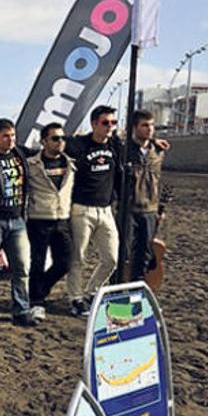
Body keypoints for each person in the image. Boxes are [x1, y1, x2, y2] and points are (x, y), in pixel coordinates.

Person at [64, 105, 122, 316]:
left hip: (105, 210)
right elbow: (52, 147)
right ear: (94, 123)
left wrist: (153, 142)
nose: (110, 127)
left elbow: (138, 144)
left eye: (113, 123)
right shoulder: (78, 145)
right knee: (78, 257)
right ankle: (76, 298)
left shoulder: (115, 145)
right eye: (105, 123)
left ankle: (91, 291)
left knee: (111, 259)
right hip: (81, 209)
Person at [0, 118, 36, 327]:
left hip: (18, 220)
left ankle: (21, 309)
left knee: (21, 267)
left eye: (12, 135)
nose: (10, 140)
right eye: (5, 136)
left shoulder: (20, 153)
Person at [26, 123, 75, 309]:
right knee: (36, 262)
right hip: (38, 219)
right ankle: (35, 300)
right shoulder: (31, 165)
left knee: (66, 262)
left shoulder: (70, 163)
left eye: (63, 138)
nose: (60, 142)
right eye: (55, 138)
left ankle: (42, 288)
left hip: (62, 219)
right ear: (44, 141)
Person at [127, 110, 165, 281]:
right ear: (134, 127)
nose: (149, 129)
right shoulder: (124, 150)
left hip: (150, 210)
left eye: (151, 125)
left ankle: (137, 287)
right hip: (127, 209)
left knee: (145, 253)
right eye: (144, 125)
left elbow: (157, 180)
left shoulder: (158, 151)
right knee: (122, 253)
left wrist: (158, 210)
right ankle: (116, 286)